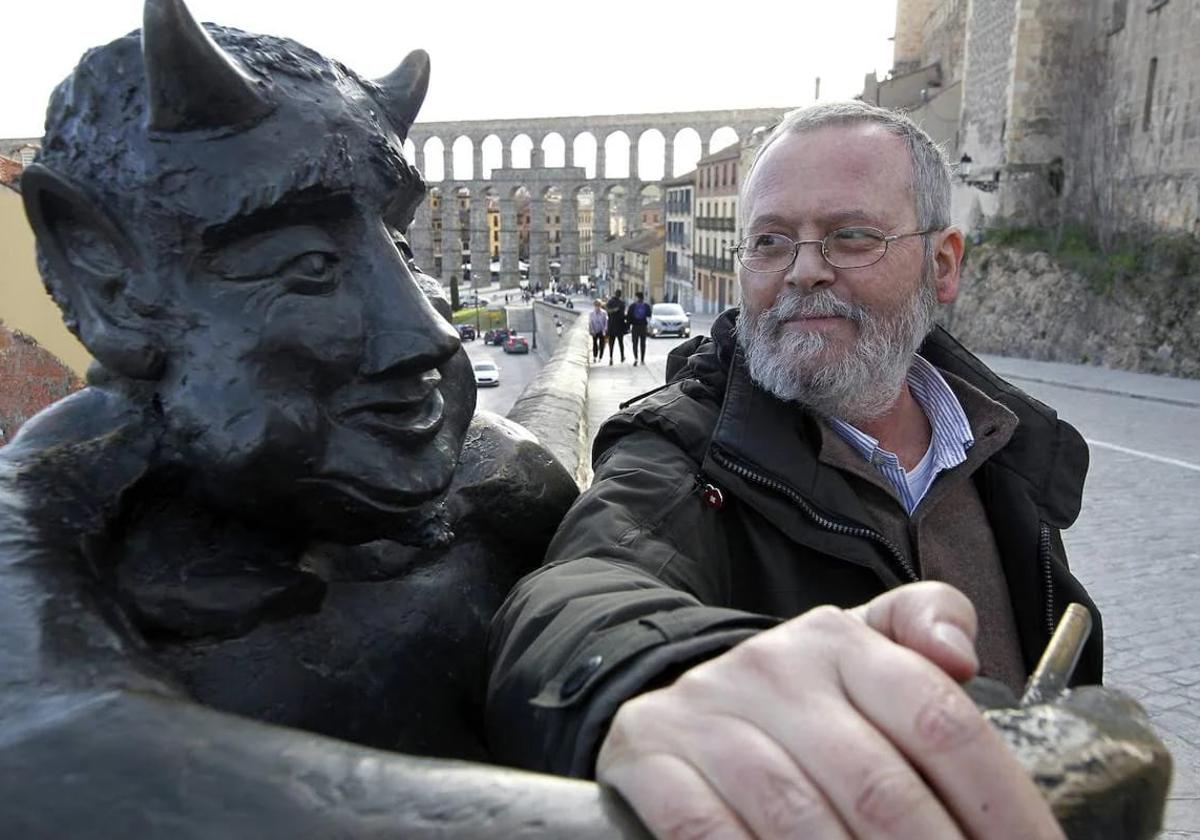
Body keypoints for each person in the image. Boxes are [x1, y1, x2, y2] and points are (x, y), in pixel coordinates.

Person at [487, 101, 1103, 838]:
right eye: (772, 241)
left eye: (850, 237)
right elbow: (575, 594)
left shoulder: (1005, 445)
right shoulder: (679, 450)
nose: (805, 271)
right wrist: (663, 675)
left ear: (942, 266)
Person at [626, 291, 652, 366]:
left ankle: (636, 358)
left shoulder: (632, 306)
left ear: (637, 297)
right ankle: (642, 360)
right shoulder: (646, 306)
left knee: (635, 343)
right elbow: (649, 315)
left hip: (635, 327)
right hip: (643, 327)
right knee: (643, 344)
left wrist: (628, 326)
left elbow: (628, 317)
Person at [604, 288, 627, 365]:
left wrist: (612, 311)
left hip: (611, 325)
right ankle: (622, 357)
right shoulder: (622, 303)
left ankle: (611, 358)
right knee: (621, 342)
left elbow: (606, 309)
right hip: (620, 325)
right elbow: (623, 315)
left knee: (611, 343)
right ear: (620, 295)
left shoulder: (610, 302)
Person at [588, 298, 608, 363]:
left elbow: (606, 322)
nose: (597, 307)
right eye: (596, 305)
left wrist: (605, 330)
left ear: (600, 305)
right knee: (595, 344)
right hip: (595, 330)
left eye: (598, 305)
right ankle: (594, 356)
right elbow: (590, 323)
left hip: (602, 331)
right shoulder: (591, 313)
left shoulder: (604, 313)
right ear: (594, 306)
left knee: (601, 344)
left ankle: (600, 357)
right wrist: (592, 330)